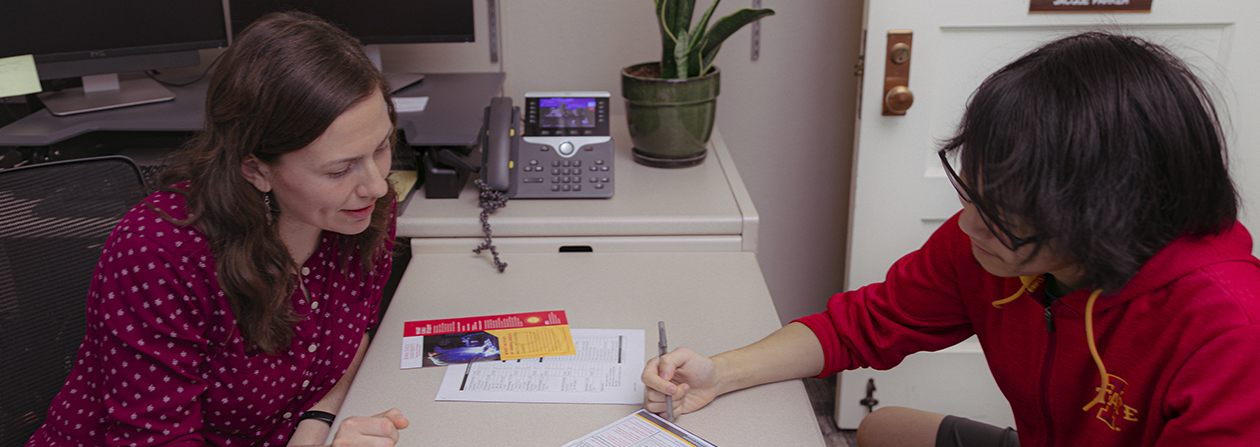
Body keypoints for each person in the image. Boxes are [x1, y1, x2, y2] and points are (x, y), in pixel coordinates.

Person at [642, 32, 1260, 447]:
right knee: (883, 430)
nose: (965, 225)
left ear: (1102, 209)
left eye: (1001, 209)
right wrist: (718, 373)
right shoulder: (991, 245)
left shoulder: (1231, 331)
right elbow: (861, 325)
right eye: (974, 191)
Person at [28, 12, 410, 447]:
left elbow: (352, 333)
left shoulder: (362, 211)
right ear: (256, 169)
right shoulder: (159, 254)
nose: (377, 185)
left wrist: (315, 425)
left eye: (381, 147)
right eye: (340, 169)